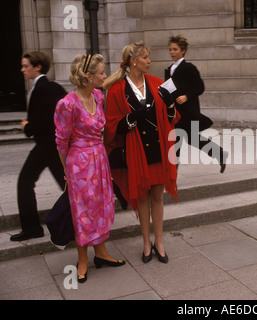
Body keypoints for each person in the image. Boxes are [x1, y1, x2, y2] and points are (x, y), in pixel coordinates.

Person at [103, 41, 179, 264]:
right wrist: (130, 119)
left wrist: (171, 106)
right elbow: (110, 125)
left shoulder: (157, 84)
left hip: (158, 149)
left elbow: (172, 118)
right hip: (136, 152)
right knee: (142, 199)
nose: (149, 61)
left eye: (149, 56)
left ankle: (159, 242)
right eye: (145, 57)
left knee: (157, 196)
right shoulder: (117, 90)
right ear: (133, 61)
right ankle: (146, 243)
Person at [54, 54, 125, 283]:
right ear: (88, 76)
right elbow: (61, 141)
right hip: (79, 163)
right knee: (82, 211)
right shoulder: (67, 104)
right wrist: (66, 169)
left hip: (100, 159)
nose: (104, 76)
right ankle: (82, 259)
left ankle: (101, 253)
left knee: (102, 205)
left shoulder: (98, 96)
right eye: (101, 73)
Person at [10, 52, 66, 242]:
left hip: (46, 145)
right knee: (67, 184)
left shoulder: (42, 89)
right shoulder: (53, 87)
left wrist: (27, 127)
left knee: (25, 182)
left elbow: (42, 122)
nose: (22, 69)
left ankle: (32, 228)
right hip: (54, 145)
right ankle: (84, 218)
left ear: (37, 67)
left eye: (26, 66)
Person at [165, 35, 228, 173]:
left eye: (175, 49)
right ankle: (220, 154)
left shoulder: (189, 68)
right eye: (170, 49)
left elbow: (200, 87)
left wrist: (187, 96)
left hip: (187, 112)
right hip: (175, 114)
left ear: (183, 50)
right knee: (186, 141)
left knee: (178, 143)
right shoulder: (169, 69)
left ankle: (171, 176)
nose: (172, 52)